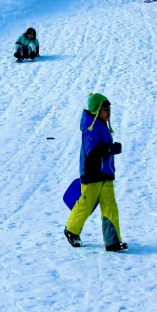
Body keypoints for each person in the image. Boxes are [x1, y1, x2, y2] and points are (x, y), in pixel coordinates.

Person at [63, 93, 126, 251]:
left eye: (109, 108)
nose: (108, 112)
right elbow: (92, 153)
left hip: (106, 174)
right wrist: (110, 149)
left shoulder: (101, 125)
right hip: (92, 175)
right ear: (97, 110)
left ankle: (112, 241)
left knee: (110, 206)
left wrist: (111, 150)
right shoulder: (90, 128)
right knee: (86, 204)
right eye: (105, 109)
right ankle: (71, 230)